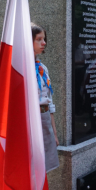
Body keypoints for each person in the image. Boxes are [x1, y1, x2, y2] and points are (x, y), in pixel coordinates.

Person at [32, 23, 59, 172]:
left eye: (44, 38)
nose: (44, 43)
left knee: (43, 167)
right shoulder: (22, 69)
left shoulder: (43, 68)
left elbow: (49, 101)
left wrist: (54, 132)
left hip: (45, 118)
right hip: (31, 121)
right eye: (39, 39)